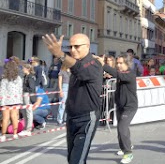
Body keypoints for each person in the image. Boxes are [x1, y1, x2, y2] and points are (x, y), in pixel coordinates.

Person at [42, 33, 103, 164]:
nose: (73, 50)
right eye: (70, 47)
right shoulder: (77, 63)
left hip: (87, 117)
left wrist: (60, 54)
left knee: (77, 160)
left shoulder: (93, 63)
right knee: (72, 158)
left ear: (87, 46)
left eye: (77, 46)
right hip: (72, 117)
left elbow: (79, 68)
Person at [97, 53, 138, 164]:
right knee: (122, 129)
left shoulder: (130, 74)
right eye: (117, 63)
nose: (118, 65)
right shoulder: (121, 73)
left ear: (127, 63)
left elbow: (116, 74)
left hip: (130, 107)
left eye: (121, 63)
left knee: (122, 128)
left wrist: (103, 64)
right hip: (120, 106)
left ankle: (128, 153)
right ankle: (125, 145)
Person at [0, 58, 23, 142]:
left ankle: (3, 135)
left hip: (6, 101)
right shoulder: (19, 79)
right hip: (16, 100)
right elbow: (20, 90)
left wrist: (1, 102)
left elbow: (2, 92)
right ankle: (15, 133)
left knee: (6, 118)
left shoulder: (4, 79)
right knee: (14, 117)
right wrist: (20, 101)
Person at [18, 63, 36, 136]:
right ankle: (25, 128)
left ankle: (28, 129)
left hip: (27, 95)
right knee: (24, 112)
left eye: (24, 68)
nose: (22, 69)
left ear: (28, 69)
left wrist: (23, 88)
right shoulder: (25, 76)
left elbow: (31, 88)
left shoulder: (30, 77)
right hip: (24, 94)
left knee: (28, 112)